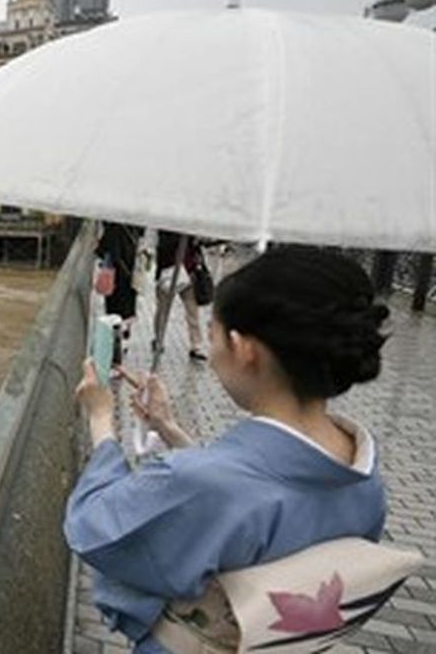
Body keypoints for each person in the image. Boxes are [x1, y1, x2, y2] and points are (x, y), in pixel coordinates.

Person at [64, 246, 390, 653]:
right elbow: (245, 493)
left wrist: (100, 418)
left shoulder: (204, 482)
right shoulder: (363, 475)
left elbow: (97, 527)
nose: (213, 351)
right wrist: (169, 430)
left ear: (243, 348)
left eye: (214, 334)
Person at [153, 231, 206, 361]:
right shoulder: (167, 230)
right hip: (169, 274)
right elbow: (162, 247)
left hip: (189, 274)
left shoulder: (193, 229)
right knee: (163, 310)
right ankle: (159, 339)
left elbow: (198, 248)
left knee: (192, 311)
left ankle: (196, 345)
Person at [96, 223, 145, 342]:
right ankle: (121, 336)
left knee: (116, 307)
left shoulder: (116, 226)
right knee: (122, 307)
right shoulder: (128, 227)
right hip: (124, 272)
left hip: (120, 271)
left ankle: (118, 336)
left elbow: (107, 248)